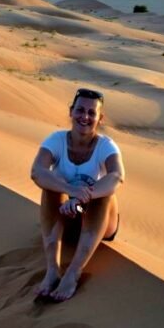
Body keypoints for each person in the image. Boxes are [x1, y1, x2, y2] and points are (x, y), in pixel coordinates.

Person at [29, 87, 124, 301]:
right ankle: (52, 270)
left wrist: (83, 197)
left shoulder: (106, 146)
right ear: (71, 111)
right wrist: (70, 190)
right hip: (66, 218)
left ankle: (73, 272)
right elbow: (37, 171)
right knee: (50, 187)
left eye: (92, 112)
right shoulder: (56, 140)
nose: (85, 117)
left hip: (97, 223)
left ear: (100, 118)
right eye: (80, 110)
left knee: (106, 194)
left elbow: (117, 176)